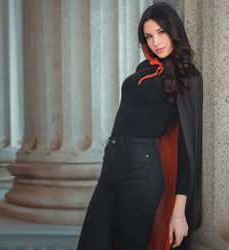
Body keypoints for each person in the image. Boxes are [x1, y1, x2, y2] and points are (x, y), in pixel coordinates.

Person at [76, 2, 203, 250]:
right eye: (149, 36)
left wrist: (178, 213)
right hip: (111, 165)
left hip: (141, 168)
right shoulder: (144, 68)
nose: (156, 42)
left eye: (161, 32)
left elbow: (186, 146)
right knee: (91, 242)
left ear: (173, 30)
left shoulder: (187, 76)